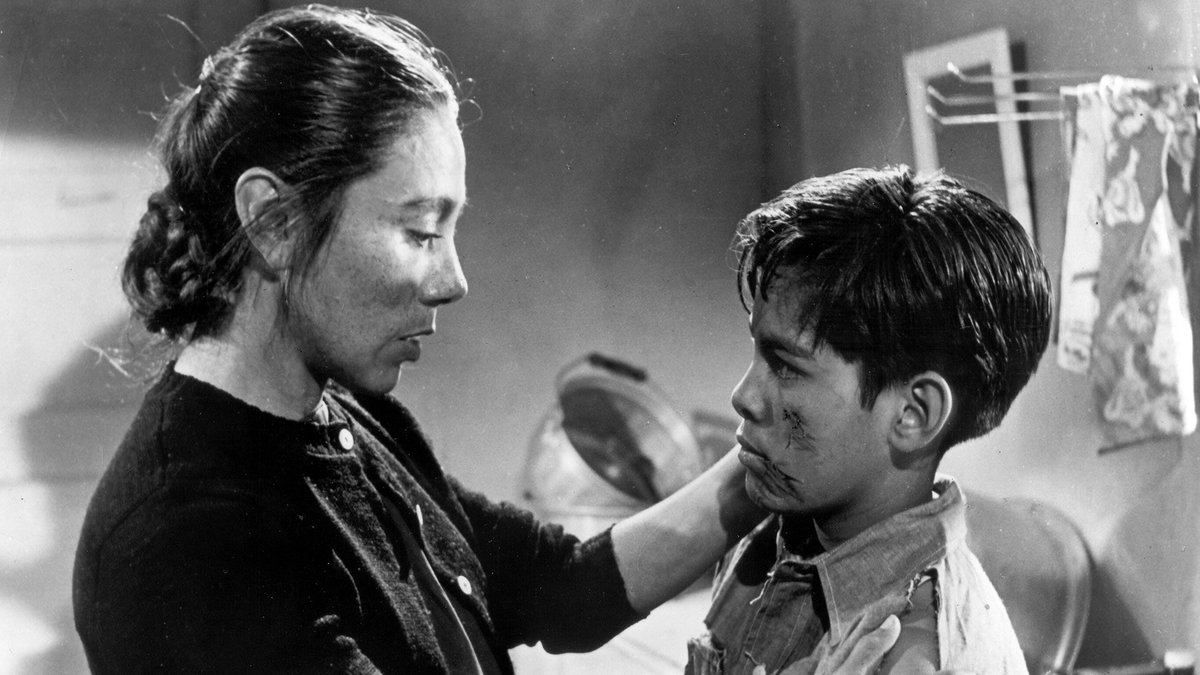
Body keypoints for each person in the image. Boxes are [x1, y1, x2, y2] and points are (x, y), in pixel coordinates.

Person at [71, 6, 770, 673]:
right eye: (420, 232)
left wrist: (758, 467)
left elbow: (558, 585)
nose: (454, 281)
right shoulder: (186, 539)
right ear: (273, 221)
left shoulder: (343, 415)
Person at [686, 166, 1051, 674]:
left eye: (786, 366)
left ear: (914, 414)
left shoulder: (915, 657)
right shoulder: (776, 528)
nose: (743, 397)